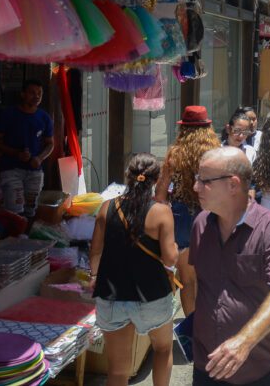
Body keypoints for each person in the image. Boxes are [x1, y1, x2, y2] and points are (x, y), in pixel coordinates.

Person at [190, 148, 270, 385]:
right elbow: (196, 281)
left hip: (257, 371)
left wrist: (244, 341)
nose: (196, 187)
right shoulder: (201, 224)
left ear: (233, 184)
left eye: (204, 181)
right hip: (207, 366)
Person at [90, 154, 178, 386]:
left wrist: (93, 276)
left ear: (128, 177)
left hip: (111, 295)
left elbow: (96, 251)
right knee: (162, 349)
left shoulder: (106, 208)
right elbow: (170, 257)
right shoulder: (161, 212)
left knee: (118, 371)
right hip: (152, 295)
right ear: (156, 180)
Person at [155, 106, 221, 316]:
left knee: (187, 280)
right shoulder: (216, 153)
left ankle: (192, 328)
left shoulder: (175, 154)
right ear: (207, 128)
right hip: (210, 215)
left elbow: (160, 194)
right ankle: (208, 324)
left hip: (181, 218)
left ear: (183, 129)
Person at [0, 79, 54, 219]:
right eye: (32, 93)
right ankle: (12, 239)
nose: (36, 96)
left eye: (39, 93)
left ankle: (26, 238)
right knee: (14, 212)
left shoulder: (44, 117)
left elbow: (50, 143)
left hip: (34, 172)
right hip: (11, 170)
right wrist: (16, 153)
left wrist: (40, 158)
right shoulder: (8, 115)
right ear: (23, 94)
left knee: (31, 211)